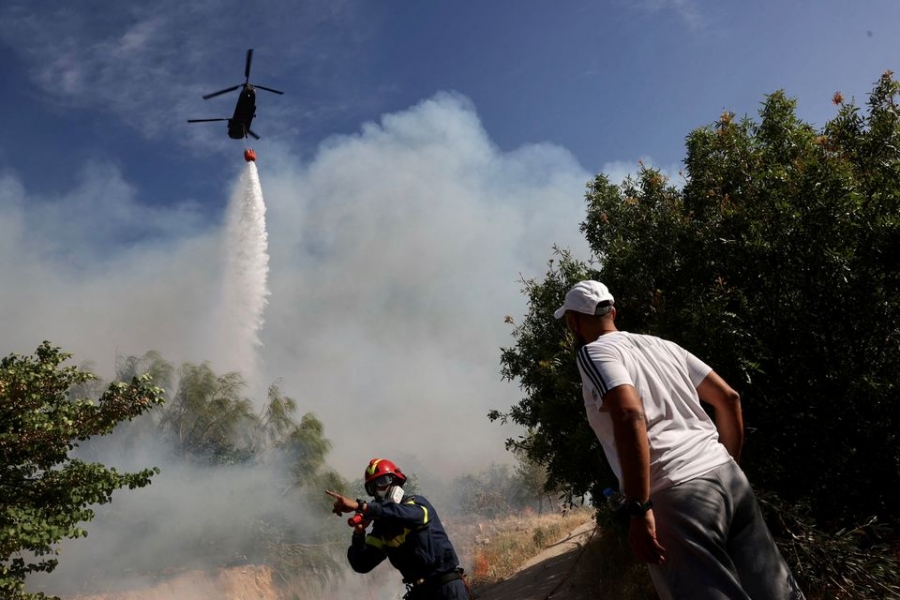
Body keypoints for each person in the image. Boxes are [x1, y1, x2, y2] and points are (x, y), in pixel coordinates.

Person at [555, 280, 804, 600]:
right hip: (728, 477)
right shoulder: (663, 346)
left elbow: (630, 415)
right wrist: (722, 469)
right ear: (614, 312)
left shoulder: (593, 352)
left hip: (675, 493)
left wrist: (639, 506)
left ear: (573, 322)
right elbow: (728, 398)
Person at [326, 458, 470, 600]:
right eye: (372, 488)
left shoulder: (417, 504)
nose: (378, 490)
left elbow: (403, 514)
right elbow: (361, 564)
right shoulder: (382, 528)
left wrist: (362, 506)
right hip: (421, 592)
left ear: (396, 481)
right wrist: (359, 535)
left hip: (447, 589)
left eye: (382, 482)